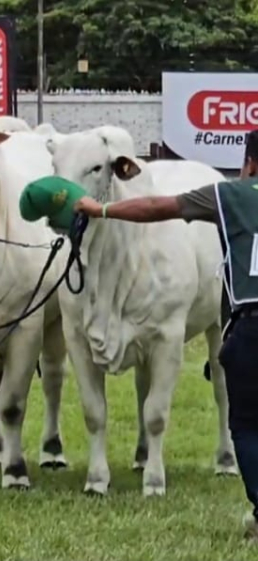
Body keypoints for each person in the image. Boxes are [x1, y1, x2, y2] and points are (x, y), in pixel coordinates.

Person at [72, 164, 258, 541]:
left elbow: (158, 208)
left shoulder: (229, 195)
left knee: (248, 427)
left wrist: (102, 210)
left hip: (251, 326)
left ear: (249, 165)